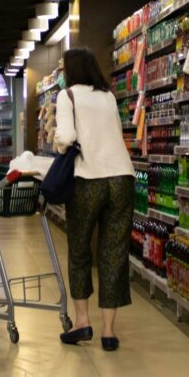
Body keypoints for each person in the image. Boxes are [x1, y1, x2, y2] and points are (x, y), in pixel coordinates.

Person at [53, 48, 135, 351]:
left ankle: (82, 322)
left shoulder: (68, 96)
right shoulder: (108, 96)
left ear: (71, 70)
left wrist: (58, 144)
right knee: (113, 252)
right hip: (122, 178)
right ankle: (109, 332)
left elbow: (66, 137)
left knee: (79, 251)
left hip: (88, 180)